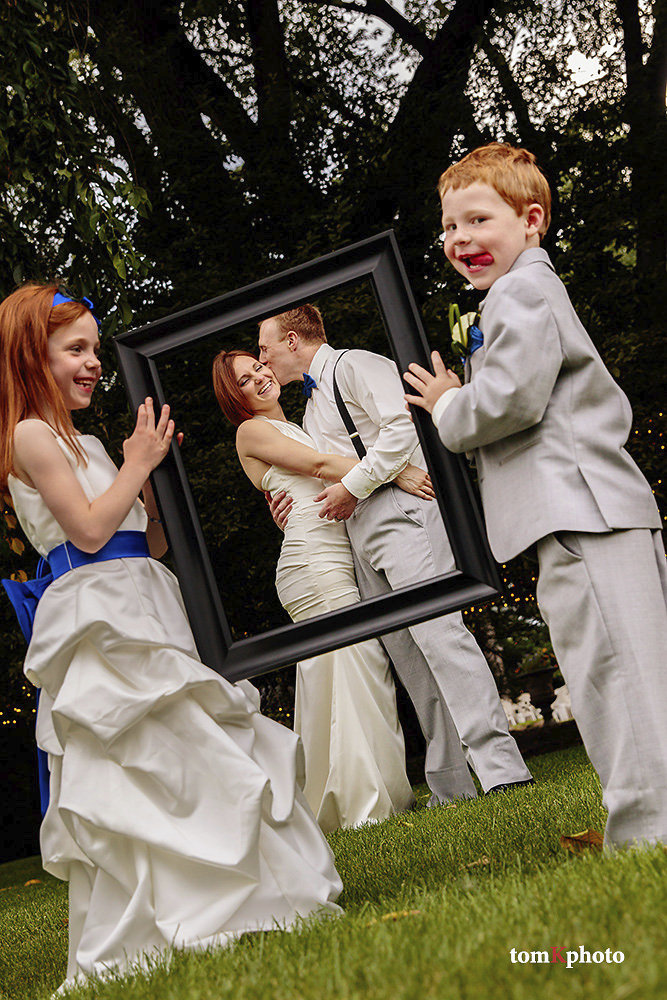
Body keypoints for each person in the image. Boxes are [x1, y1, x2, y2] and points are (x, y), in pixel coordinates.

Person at [0, 284, 342, 989]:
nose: (94, 364)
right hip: (99, 613)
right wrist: (137, 463)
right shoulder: (29, 434)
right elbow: (88, 531)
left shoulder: (89, 439)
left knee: (194, 744)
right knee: (139, 758)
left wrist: (151, 482)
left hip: (144, 597)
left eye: (96, 350)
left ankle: (249, 898)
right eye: (76, 350)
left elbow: (144, 540)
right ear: (34, 354)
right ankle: (170, 914)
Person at [403, 141, 667, 848]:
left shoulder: (522, 290)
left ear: (531, 221)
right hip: (585, 510)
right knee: (623, 671)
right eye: (449, 227)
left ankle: (648, 831)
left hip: (579, 511)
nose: (461, 239)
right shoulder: (520, 292)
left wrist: (449, 405)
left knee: (616, 676)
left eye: (478, 220)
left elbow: (512, 400)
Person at [258, 305, 533, 803]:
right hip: (359, 534)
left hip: (403, 514)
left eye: (265, 347)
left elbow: (402, 430)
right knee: (408, 658)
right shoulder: (310, 406)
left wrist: (352, 485)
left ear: (294, 341)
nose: (263, 358)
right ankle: (451, 786)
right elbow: (322, 468)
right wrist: (292, 507)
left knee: (441, 637)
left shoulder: (357, 365)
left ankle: (502, 770)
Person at [212, 349, 416, 832]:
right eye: (245, 379)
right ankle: (364, 806)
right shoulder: (250, 431)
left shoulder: (297, 423)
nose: (261, 375)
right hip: (314, 563)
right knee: (360, 669)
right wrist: (396, 469)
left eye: (259, 366)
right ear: (233, 397)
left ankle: (346, 801)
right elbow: (322, 464)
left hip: (330, 554)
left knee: (342, 677)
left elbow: (300, 479)